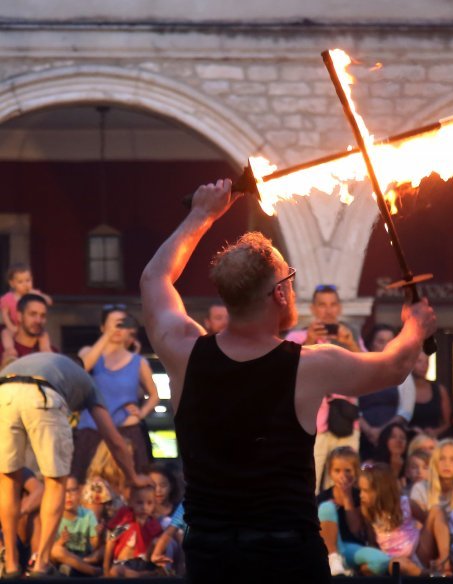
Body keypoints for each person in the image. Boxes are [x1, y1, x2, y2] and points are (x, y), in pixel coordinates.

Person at [139, 178, 437, 582]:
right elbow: (393, 366)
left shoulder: (184, 352)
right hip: (287, 558)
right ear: (279, 293)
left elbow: (155, 279)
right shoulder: (310, 365)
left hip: (211, 556)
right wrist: (416, 326)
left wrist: (201, 213)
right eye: (290, 279)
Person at [0, 352, 149, 577]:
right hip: (42, 393)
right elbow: (115, 441)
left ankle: (10, 564)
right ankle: (41, 564)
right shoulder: (86, 381)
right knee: (56, 481)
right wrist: (133, 477)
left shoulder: (41, 361)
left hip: (3, 392)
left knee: (8, 477)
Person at [286, 284, 365, 494]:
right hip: (310, 424)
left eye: (332, 305)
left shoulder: (350, 338)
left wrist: (351, 344)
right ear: (313, 309)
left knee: (343, 489)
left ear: (339, 308)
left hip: (346, 423)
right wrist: (310, 341)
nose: (328, 310)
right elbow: (286, 373)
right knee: (307, 486)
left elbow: (368, 372)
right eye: (322, 305)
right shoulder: (296, 339)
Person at [72, 306, 159, 481]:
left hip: (125, 430)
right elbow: (84, 367)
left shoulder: (138, 362)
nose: (119, 328)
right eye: (114, 323)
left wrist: (140, 414)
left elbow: (154, 395)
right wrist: (107, 336)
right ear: (103, 327)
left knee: (129, 482)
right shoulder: (88, 353)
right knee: (86, 483)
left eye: (123, 324)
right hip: (92, 430)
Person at [317, 447, 384, 577]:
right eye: (337, 471)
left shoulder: (359, 496)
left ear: (356, 472)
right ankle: (333, 559)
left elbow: (355, 530)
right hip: (329, 550)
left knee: (380, 561)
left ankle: (350, 570)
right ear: (330, 472)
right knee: (327, 507)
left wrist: (347, 497)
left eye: (348, 471)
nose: (343, 476)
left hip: (352, 548)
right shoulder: (323, 497)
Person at [358, 462, 428, 576]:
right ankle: (422, 574)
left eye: (366, 491)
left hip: (416, 551)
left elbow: (427, 522)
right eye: (360, 490)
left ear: (381, 490)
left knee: (437, 512)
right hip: (390, 560)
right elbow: (372, 542)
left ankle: (430, 575)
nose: (361, 495)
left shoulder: (406, 503)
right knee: (366, 568)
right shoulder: (367, 511)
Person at [358, 324, 415, 460]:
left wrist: (383, 431)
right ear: (371, 344)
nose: (385, 346)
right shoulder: (359, 369)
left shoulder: (404, 371)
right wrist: (368, 430)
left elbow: (405, 410)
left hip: (392, 439)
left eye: (390, 342)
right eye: (380, 341)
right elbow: (353, 404)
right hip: (363, 436)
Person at [409, 439, 453, 573]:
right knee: (436, 510)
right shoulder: (420, 488)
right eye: (442, 459)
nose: (447, 464)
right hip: (425, 547)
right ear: (434, 462)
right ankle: (445, 565)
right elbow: (417, 528)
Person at [104, 485, 163, 577]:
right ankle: (139, 575)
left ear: (154, 504)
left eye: (149, 503)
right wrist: (106, 567)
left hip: (143, 563)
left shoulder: (153, 524)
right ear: (131, 503)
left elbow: (158, 546)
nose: (144, 507)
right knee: (115, 571)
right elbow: (111, 540)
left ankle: (143, 574)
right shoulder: (125, 522)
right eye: (140, 503)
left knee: (157, 542)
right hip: (123, 564)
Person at [1, 265, 52, 364]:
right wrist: (11, 326)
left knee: (43, 334)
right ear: (12, 283)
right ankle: (10, 351)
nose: (25, 284)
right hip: (13, 325)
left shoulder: (34, 294)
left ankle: (46, 349)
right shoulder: (8, 298)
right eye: (20, 282)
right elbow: (5, 314)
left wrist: (38, 295)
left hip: (26, 328)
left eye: (28, 280)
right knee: (5, 333)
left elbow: (49, 301)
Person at [51, 476, 101, 576]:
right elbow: (51, 552)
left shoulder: (88, 515)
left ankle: (81, 567)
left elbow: (95, 545)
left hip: (85, 556)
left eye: (72, 490)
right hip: (65, 557)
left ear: (79, 493)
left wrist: (98, 535)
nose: (69, 496)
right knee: (56, 551)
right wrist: (61, 541)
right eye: (65, 491)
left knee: (105, 546)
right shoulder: (54, 517)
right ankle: (91, 571)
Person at [0, 293, 55, 367]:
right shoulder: (3, 350)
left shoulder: (52, 354)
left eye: (43, 315)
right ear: (19, 316)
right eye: (32, 314)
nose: (38, 320)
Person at [409, 352, 451, 440]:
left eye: (427, 362)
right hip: (409, 440)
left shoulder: (439, 390)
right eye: (419, 362)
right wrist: (410, 430)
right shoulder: (402, 390)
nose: (423, 366)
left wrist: (436, 431)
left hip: (433, 442)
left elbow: (448, 423)